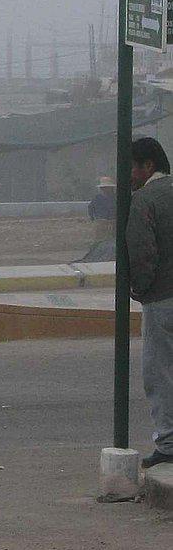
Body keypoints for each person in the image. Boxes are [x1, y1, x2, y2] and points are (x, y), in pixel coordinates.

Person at [127, 137, 173, 468]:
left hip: (162, 299)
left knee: (159, 372)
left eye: (131, 166)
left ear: (148, 166)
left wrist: (139, 291)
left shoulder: (144, 200)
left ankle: (168, 443)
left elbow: (143, 255)